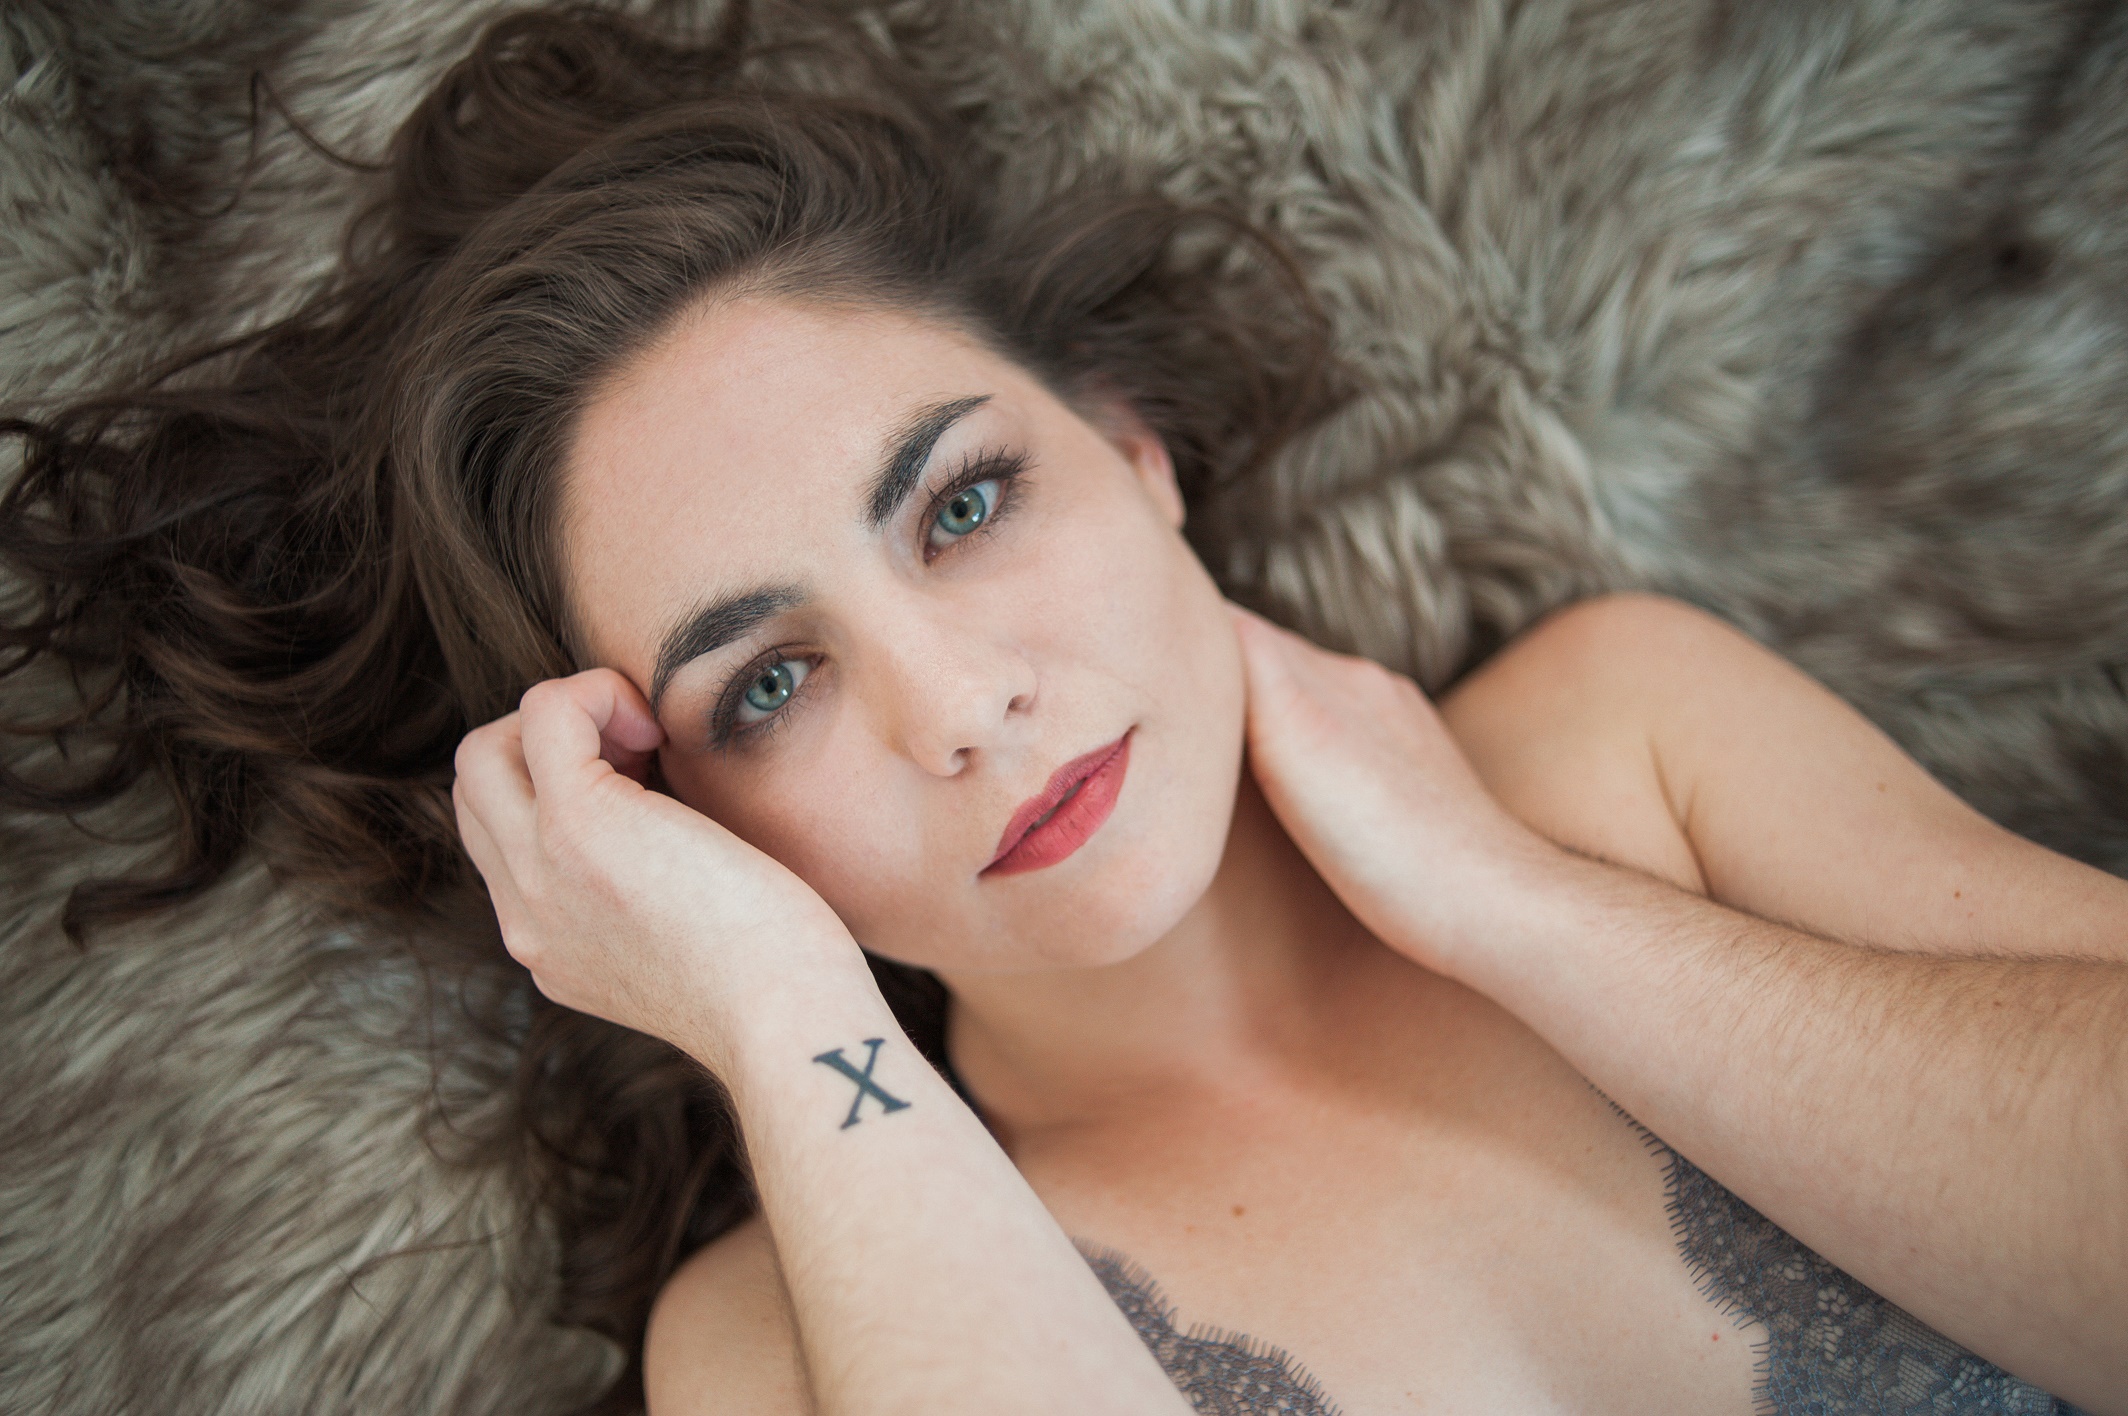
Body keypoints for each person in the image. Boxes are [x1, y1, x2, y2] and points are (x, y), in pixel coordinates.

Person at [4, 8, 2123, 1415]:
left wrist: (1512, 905)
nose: (957, 706)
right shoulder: (786, 1339)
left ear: (1132, 449)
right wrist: (773, 1013)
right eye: (766, 683)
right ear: (664, 818)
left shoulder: (1618, 737)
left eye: (964, 502)